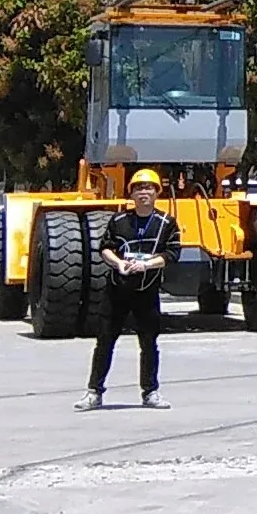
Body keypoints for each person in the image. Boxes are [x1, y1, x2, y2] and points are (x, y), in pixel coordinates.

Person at [78, 170, 179, 410]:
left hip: (147, 291)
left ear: (157, 193)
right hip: (117, 290)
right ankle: (94, 392)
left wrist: (146, 265)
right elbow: (105, 248)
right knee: (105, 341)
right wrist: (119, 264)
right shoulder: (119, 221)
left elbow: (172, 253)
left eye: (149, 188)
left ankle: (150, 392)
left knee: (149, 343)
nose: (144, 192)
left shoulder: (166, 223)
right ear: (131, 193)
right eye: (138, 188)